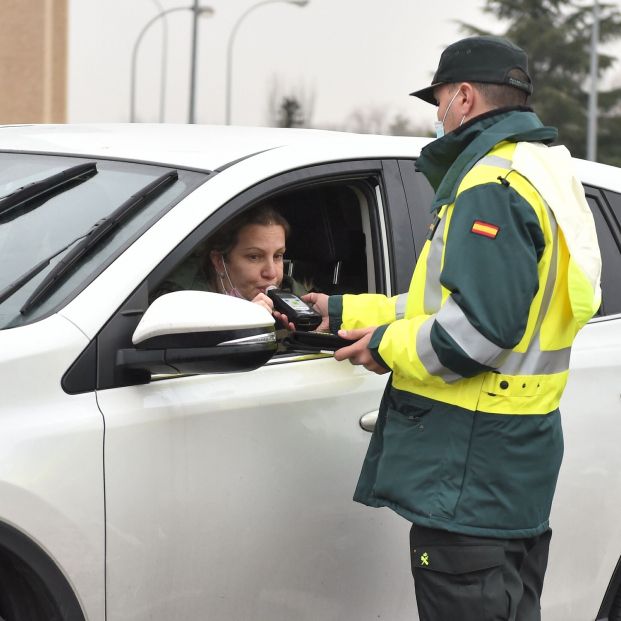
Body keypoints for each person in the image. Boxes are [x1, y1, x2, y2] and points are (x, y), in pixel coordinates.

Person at [304, 35, 602, 621]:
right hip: (514, 460)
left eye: (438, 100)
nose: (436, 115)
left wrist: (385, 347)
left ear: (463, 97)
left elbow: (474, 334)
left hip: (469, 464)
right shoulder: (543, 169)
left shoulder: (490, 185)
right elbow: (442, 303)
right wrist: (338, 313)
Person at [153, 203, 306, 322]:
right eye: (254, 257)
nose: (271, 273)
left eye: (278, 256)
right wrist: (241, 323)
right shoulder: (178, 305)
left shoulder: (299, 300)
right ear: (219, 261)